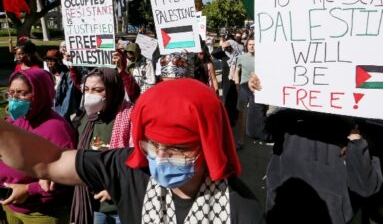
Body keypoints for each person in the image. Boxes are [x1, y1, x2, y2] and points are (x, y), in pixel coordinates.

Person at [0, 79, 265, 224]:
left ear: (209, 145)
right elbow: (50, 161)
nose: (160, 159)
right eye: (152, 145)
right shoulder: (128, 169)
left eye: (177, 149)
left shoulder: (241, 209)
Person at [249, 74, 383, 224]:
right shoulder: (289, 114)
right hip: (283, 208)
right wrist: (257, 97)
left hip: (330, 215)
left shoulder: (358, 127)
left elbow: (366, 187)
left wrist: (357, 141)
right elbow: (256, 131)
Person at [0, 68, 77, 223]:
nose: (14, 99)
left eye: (22, 93)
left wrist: (28, 190)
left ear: (39, 94)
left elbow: (67, 177)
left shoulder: (58, 129)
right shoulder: (15, 121)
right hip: (10, 206)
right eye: (11, 93)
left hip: (41, 213)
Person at [70, 67, 134, 224]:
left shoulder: (130, 117)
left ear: (112, 90)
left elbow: (138, 159)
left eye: (98, 90)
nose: (91, 94)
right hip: (91, 203)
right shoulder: (83, 118)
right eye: (87, 89)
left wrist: (115, 187)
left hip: (122, 204)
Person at [234, 38, 268, 149]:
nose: (252, 46)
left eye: (254, 44)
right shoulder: (242, 57)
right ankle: (241, 139)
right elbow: (236, 72)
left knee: (261, 112)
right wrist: (237, 84)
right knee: (241, 113)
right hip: (244, 86)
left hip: (257, 88)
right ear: (246, 46)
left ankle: (260, 133)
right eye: (250, 44)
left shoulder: (262, 58)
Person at [43, 49, 82, 121]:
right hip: (51, 113)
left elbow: (68, 97)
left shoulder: (68, 75)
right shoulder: (48, 75)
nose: (49, 64)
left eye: (51, 61)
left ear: (59, 61)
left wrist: (62, 116)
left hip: (64, 115)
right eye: (47, 61)